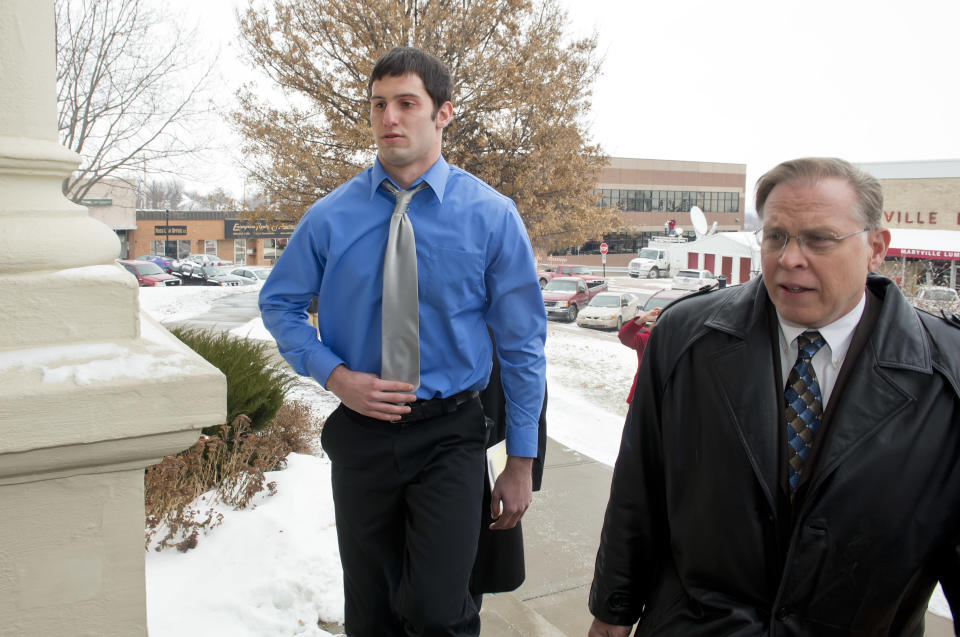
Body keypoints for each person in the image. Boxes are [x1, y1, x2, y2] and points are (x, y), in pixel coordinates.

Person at [588, 157, 960, 636]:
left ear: (875, 248)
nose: (789, 259)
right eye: (776, 236)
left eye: (819, 239)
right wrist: (614, 609)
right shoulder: (686, 338)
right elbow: (639, 487)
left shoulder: (945, 373)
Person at [259, 47, 546, 636]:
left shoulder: (491, 217)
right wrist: (335, 375)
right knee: (372, 614)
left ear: (443, 113)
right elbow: (279, 303)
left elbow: (522, 346)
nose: (389, 118)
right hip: (362, 436)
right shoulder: (330, 217)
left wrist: (521, 461)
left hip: (451, 436)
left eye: (406, 103)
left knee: (440, 611)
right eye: (378, 105)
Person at [616, 307, 661, 404]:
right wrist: (643, 319)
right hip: (643, 395)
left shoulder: (681, 343)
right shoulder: (648, 340)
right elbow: (624, 336)